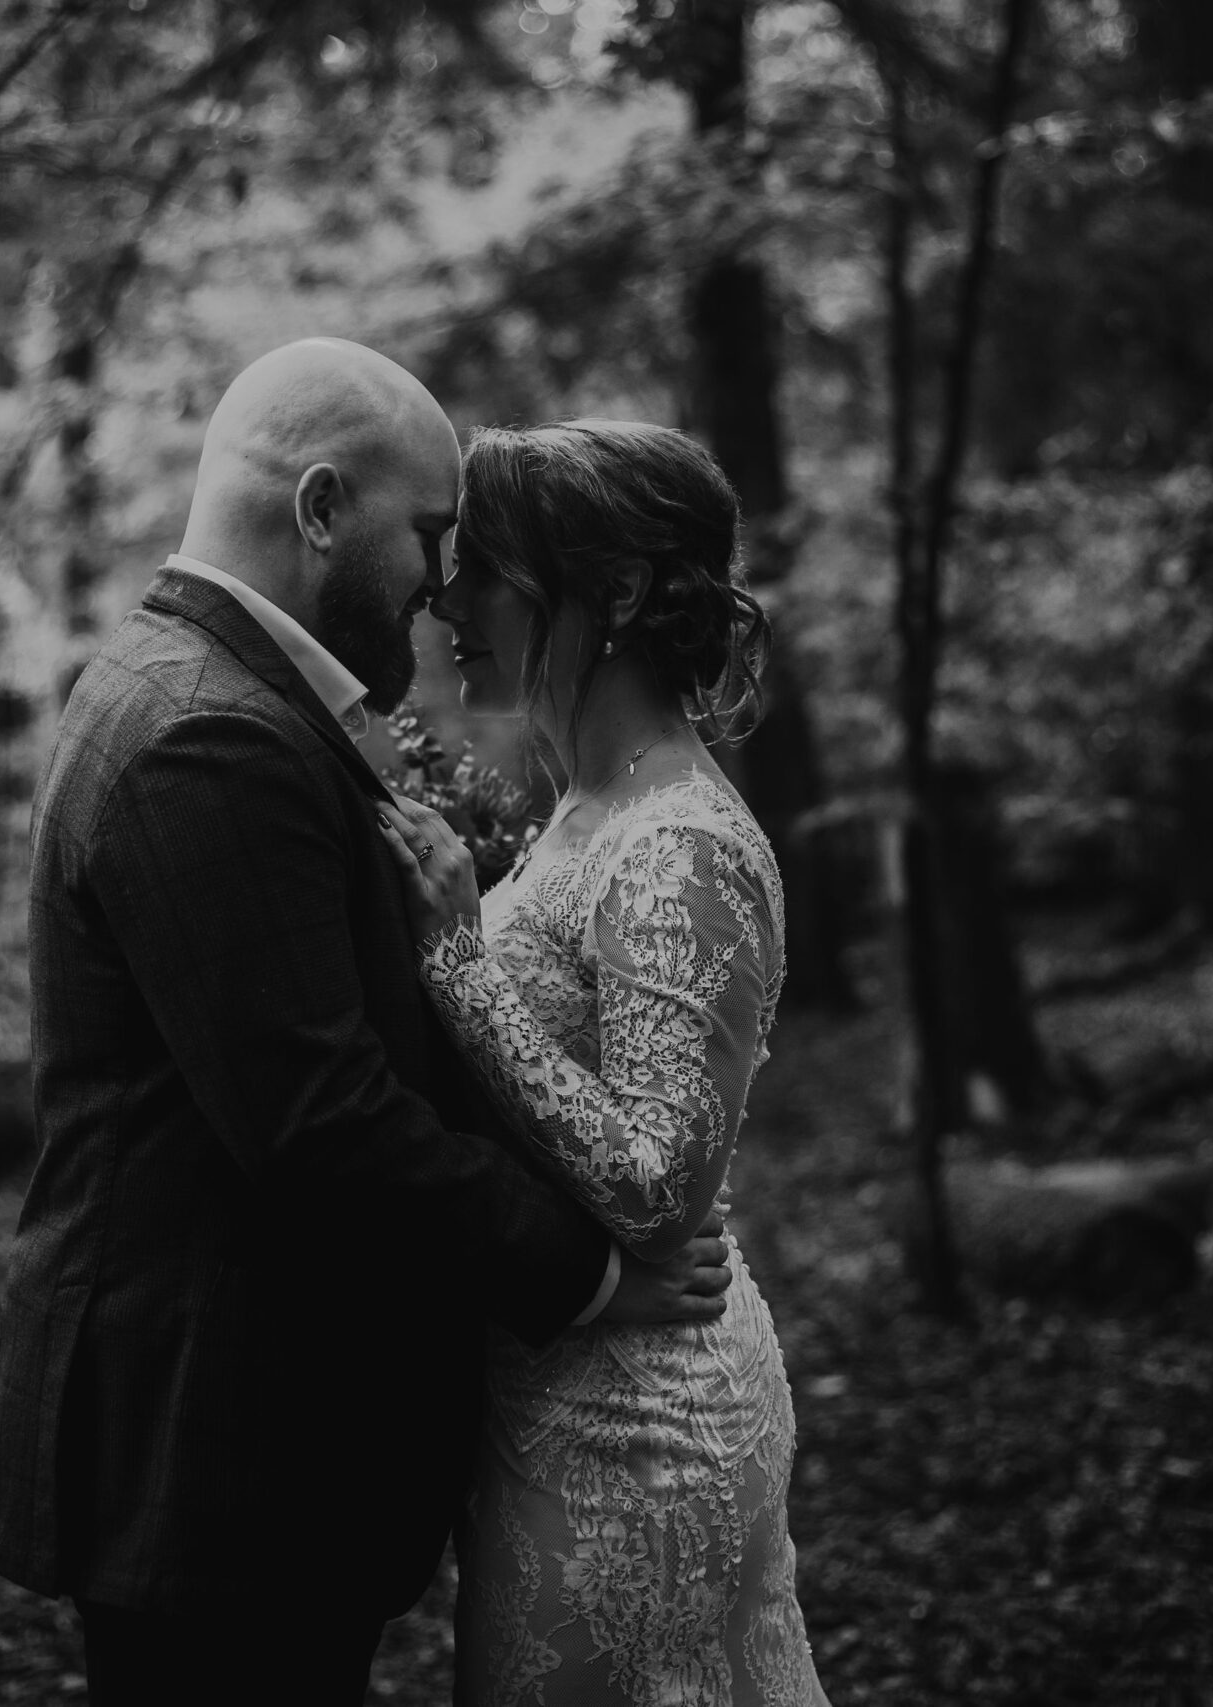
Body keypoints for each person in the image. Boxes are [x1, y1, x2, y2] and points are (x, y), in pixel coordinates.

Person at [0, 341, 737, 1704]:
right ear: (322, 508)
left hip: (236, 1449)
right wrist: (594, 1278)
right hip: (215, 1458)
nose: (443, 586)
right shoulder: (208, 737)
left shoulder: (206, 694)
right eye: (429, 536)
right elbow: (325, 1125)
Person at [375, 419, 830, 1705]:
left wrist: (460, 963)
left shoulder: (681, 841)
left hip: (641, 1432)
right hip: (553, 1398)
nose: (445, 598)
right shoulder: (591, 806)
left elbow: (653, 1188)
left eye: (483, 570)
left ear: (616, 591)